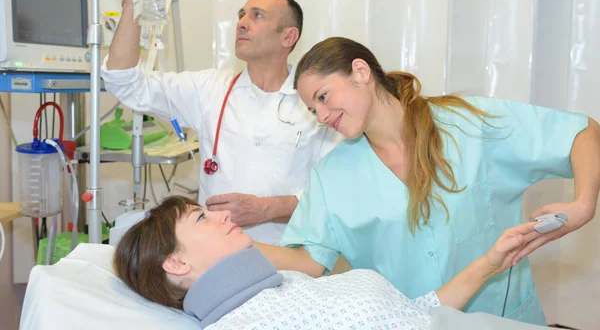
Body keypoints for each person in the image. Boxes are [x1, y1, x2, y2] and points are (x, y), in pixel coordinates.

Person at [255, 37, 600, 325]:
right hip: (414, 324)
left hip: (503, 318)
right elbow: (309, 262)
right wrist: (234, 244)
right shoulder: (331, 177)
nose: (323, 116)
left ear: (361, 72)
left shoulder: (468, 124)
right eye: (313, 111)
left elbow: (581, 132)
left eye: (323, 97)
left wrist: (584, 204)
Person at [101, 0, 341, 244]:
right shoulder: (210, 89)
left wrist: (266, 209)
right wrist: (131, 3)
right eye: (241, 14)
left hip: (292, 261)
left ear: (288, 37)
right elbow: (125, 82)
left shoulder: (319, 102)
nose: (241, 22)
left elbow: (336, 193)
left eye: (257, 15)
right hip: (217, 258)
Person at [113, 195, 547, 330]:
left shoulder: (278, 285)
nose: (223, 214)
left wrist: (491, 262)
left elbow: (416, 313)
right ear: (175, 264)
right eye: (202, 218)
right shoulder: (245, 323)